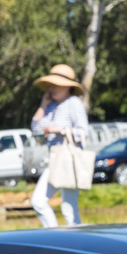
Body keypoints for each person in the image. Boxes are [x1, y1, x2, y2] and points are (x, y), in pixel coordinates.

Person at [29, 63, 90, 228]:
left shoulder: (74, 103)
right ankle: (55, 237)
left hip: (69, 159)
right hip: (54, 159)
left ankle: (75, 245)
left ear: (67, 87)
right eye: (51, 84)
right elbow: (36, 130)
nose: (52, 88)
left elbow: (83, 132)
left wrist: (59, 130)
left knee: (69, 208)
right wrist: (43, 105)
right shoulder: (51, 106)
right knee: (38, 201)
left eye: (56, 84)